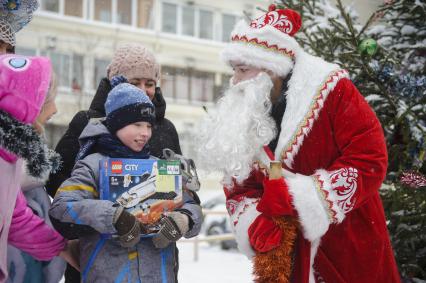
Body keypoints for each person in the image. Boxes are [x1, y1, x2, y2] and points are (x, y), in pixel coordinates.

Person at [196, 5, 400, 283]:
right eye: (234, 70)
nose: (235, 80)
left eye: (242, 69)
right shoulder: (246, 113)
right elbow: (238, 184)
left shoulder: (333, 91)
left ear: (272, 68)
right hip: (287, 262)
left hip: (348, 249)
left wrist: (298, 198)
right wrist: (255, 222)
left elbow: (369, 160)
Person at [45, 43, 184, 283]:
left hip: (155, 259)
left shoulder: (166, 128)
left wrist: (177, 214)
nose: (144, 89)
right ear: (115, 82)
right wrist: (106, 214)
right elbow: (58, 185)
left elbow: (180, 190)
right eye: (134, 82)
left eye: (149, 83)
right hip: (100, 256)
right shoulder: (89, 123)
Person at [0, 54, 79, 283]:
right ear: (23, 103)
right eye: (46, 98)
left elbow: (16, 219)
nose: (54, 109)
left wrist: (63, 248)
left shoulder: (8, 156)